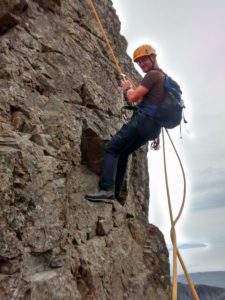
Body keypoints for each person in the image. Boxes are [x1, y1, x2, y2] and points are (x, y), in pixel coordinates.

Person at [85, 44, 165, 203]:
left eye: (144, 60)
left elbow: (133, 98)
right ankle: (115, 192)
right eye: (139, 62)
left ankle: (106, 189)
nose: (142, 64)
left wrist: (127, 88)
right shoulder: (163, 78)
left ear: (153, 58)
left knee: (111, 148)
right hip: (152, 128)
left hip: (142, 123)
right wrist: (156, 134)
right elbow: (155, 104)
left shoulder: (153, 75)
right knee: (123, 152)